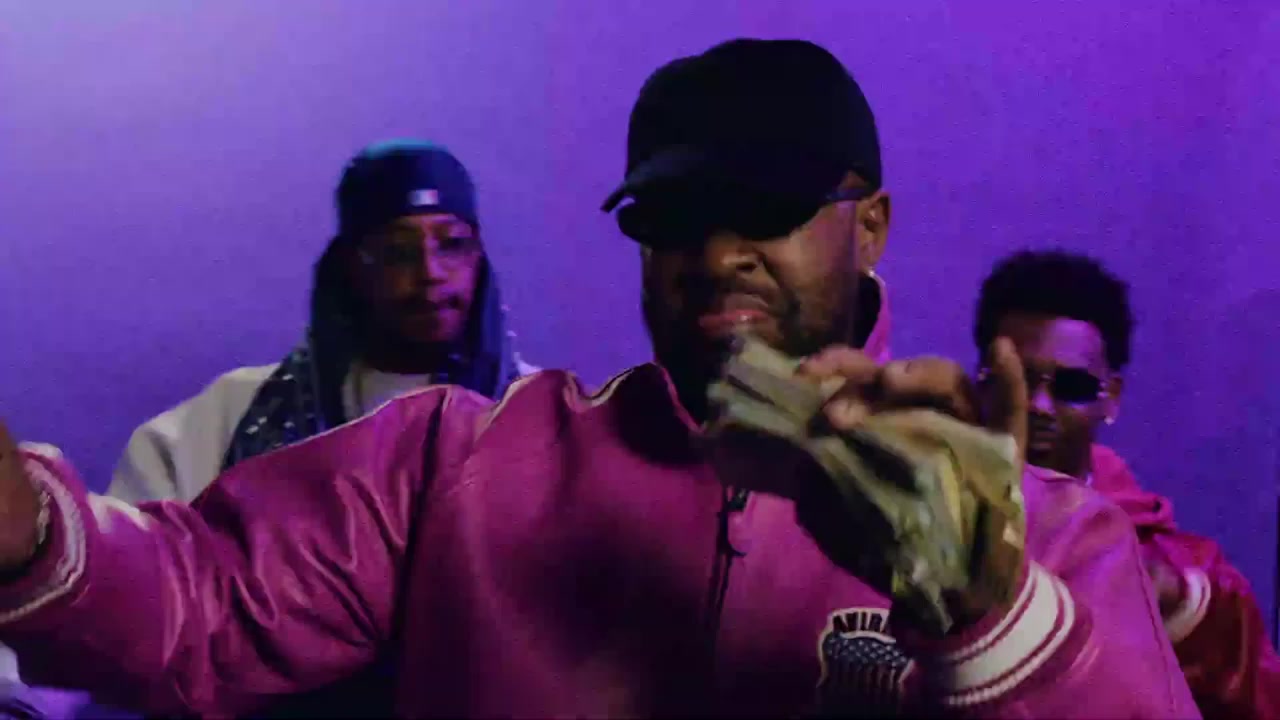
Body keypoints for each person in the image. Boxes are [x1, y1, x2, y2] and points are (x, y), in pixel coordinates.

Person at [0, 39, 1195, 718]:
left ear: (869, 225)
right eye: (671, 216)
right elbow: (196, 602)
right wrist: (28, 533)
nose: (716, 254)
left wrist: (984, 618)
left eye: (764, 209)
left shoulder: (1049, 535)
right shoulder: (452, 463)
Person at [108, 139, 537, 504]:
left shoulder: (541, 417)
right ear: (351, 267)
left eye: (452, 244)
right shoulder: (229, 417)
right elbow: (136, 552)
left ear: (479, 260)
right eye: (398, 252)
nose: (431, 272)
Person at [973, 248, 1280, 719]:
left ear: (1111, 397)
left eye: (1072, 387)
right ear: (982, 381)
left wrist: (1181, 616)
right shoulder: (918, 529)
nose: (1039, 406)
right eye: (1019, 380)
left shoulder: (1186, 576)